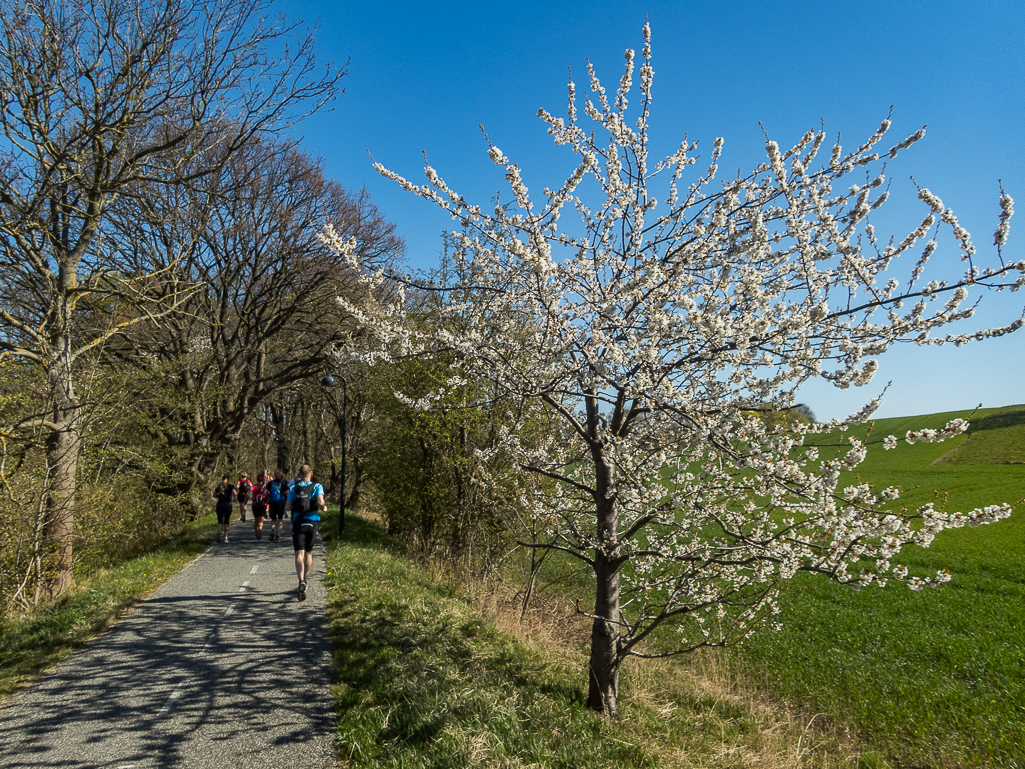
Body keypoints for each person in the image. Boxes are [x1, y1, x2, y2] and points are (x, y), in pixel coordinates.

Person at [284, 464, 326, 601]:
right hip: (312, 522)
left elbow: (288, 507)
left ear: (299, 474)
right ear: (311, 473)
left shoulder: (293, 488)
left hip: (298, 523)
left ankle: (301, 580)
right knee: (308, 552)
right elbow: (320, 502)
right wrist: (324, 507)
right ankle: (305, 579)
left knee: (299, 554)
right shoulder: (317, 486)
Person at [265, 469, 289, 542]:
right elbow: (287, 492)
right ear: (281, 475)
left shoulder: (270, 483)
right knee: (280, 520)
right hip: (281, 502)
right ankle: (278, 536)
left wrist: (267, 498)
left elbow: (265, 493)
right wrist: (288, 501)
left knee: (273, 519)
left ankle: (272, 531)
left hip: (272, 502)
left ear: (274, 475)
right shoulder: (284, 483)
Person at [212, 476, 236, 543]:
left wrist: (219, 496)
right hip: (228, 504)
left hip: (220, 504)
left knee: (220, 521)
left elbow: (214, 495)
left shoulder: (219, 486)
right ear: (228, 480)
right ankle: (225, 537)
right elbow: (235, 492)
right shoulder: (231, 486)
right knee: (226, 521)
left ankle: (218, 532)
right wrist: (235, 498)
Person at [251, 470, 269, 540]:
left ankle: (256, 532)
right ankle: (260, 529)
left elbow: (248, 492)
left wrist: (245, 501)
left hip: (254, 505)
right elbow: (267, 494)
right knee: (261, 518)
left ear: (257, 479)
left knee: (256, 519)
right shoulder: (265, 487)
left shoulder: (254, 486)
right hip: (263, 504)